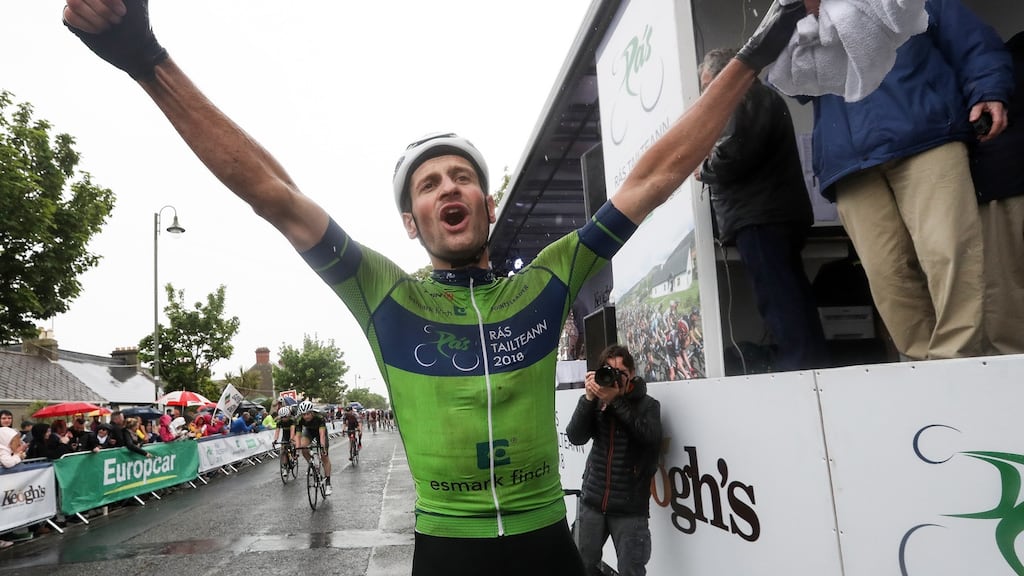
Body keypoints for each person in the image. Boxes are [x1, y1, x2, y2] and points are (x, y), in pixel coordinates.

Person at [61, 1, 807, 572]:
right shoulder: (383, 292)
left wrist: (761, 44)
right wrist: (146, 60)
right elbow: (272, 193)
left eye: (462, 178)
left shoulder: (548, 278)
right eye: (428, 184)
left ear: (487, 204)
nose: (448, 187)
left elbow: (654, 174)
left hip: (547, 539)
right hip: (448, 552)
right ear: (411, 222)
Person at [795, 0, 1014, 361]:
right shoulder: (804, 12)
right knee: (886, 275)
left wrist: (989, 89)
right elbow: (798, 86)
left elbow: (972, 40)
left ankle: (957, 362)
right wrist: (802, 21)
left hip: (926, 133)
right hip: (849, 158)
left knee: (949, 254)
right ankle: (921, 367)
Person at [699, 47, 829, 372]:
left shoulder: (746, 98)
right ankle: (809, 364)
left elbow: (733, 153)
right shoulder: (761, 97)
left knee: (779, 299)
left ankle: (799, 367)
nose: (706, 94)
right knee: (790, 295)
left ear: (725, 75)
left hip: (760, 216)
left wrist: (705, 168)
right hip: (770, 213)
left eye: (708, 84)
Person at [566, 345, 662, 576]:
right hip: (593, 500)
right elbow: (575, 436)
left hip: (630, 507)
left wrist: (617, 401)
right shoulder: (596, 402)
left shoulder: (648, 405)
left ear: (632, 374)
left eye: (621, 372)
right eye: (609, 371)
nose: (615, 378)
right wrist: (588, 399)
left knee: (631, 570)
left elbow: (649, 437)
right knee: (580, 565)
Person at [969, 31, 1024, 356]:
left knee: (1005, 287)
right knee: (1005, 286)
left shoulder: (1002, 56)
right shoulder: (1007, 57)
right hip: (1005, 179)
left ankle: (1010, 366)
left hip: (1001, 179)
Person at [294, 401, 332, 495]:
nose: (306, 416)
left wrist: (322, 447)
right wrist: (297, 449)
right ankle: (312, 465)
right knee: (303, 447)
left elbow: (322, 435)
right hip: (309, 431)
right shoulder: (299, 419)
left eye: (308, 414)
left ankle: (328, 483)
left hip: (320, 431)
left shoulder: (319, 417)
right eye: (304, 414)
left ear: (312, 412)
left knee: (324, 456)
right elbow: (298, 436)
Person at [273, 406, 296, 471]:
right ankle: (285, 466)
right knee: (283, 450)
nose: (284, 418)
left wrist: (291, 439)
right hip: (285, 434)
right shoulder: (279, 421)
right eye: (282, 417)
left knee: (294, 444)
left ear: (288, 415)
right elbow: (277, 431)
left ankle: (294, 456)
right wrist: (275, 440)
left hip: (293, 433)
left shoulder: (292, 420)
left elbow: (292, 431)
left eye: (285, 417)